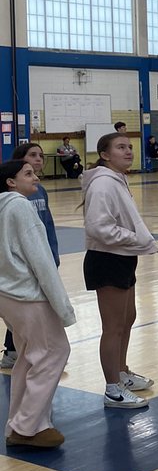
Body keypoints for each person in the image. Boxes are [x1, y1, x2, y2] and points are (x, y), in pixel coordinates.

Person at [0, 159, 75, 448]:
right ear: (11, 181)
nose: (36, 177)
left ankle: (21, 422)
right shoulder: (20, 206)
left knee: (29, 357)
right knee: (55, 351)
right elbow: (42, 260)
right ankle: (26, 426)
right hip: (27, 295)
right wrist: (63, 308)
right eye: (28, 173)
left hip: (7, 295)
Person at [82, 132, 158, 409]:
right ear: (104, 154)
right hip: (106, 259)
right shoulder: (103, 184)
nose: (128, 151)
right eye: (120, 147)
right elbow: (98, 228)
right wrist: (135, 238)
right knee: (113, 327)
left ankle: (122, 372)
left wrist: (132, 242)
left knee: (128, 318)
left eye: (130, 147)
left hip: (123, 257)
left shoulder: (117, 180)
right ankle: (112, 389)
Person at [1, 142, 61, 370]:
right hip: (22, 271)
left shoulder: (39, 191)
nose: (38, 160)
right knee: (24, 318)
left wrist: (52, 254)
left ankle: (27, 354)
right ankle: (14, 353)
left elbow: (47, 226)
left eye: (40, 156)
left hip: (44, 257)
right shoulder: (13, 201)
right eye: (32, 156)